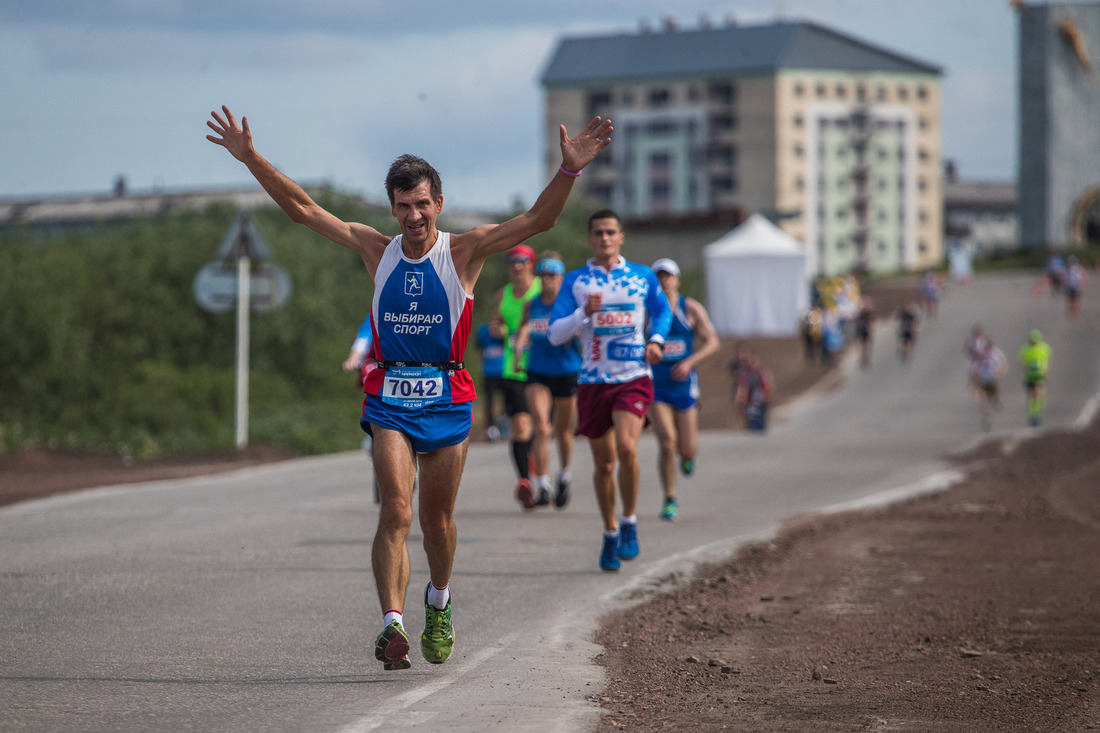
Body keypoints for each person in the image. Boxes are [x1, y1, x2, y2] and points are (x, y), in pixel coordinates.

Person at [206, 104, 612, 670]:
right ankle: (392, 624)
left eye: (423, 204)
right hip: (390, 396)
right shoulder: (377, 250)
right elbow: (303, 209)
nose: (414, 216)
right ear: (392, 209)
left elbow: (536, 222)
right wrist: (251, 158)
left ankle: (438, 601)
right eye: (404, 206)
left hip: (447, 397)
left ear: (438, 203)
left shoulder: (464, 251)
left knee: (435, 523)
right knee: (395, 509)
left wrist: (568, 171)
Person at [547, 209, 671, 572]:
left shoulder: (642, 276)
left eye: (611, 232)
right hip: (593, 381)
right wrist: (583, 313)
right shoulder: (575, 281)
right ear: (590, 238)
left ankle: (630, 521)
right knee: (604, 464)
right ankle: (610, 531)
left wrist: (658, 341)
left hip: (633, 376)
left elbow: (661, 313)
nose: (604, 238)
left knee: (627, 447)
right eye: (598, 232)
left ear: (621, 237)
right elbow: (555, 334)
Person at [647, 257, 719, 521]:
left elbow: (712, 342)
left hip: (685, 385)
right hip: (656, 385)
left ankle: (687, 457)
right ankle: (669, 498)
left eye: (669, 276)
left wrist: (690, 362)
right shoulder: (646, 311)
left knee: (686, 449)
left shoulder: (690, 309)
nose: (664, 280)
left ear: (677, 280)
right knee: (667, 443)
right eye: (659, 276)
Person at [513, 252, 581, 508]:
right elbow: (523, 327)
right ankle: (542, 484)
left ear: (561, 278)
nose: (547, 281)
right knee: (541, 427)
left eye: (552, 276)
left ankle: (564, 475)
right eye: (542, 276)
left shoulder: (570, 305)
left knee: (563, 431)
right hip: (537, 371)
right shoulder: (533, 304)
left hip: (566, 371)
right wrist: (519, 349)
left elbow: (584, 332)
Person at [490, 244, 541, 508]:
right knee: (521, 427)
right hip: (513, 370)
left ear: (531, 263)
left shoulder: (543, 290)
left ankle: (542, 478)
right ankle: (525, 481)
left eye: (522, 261)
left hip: (544, 368)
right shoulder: (503, 295)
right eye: (512, 262)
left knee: (541, 429)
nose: (517, 266)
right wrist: (498, 328)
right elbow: (495, 325)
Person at [474, 322, 506, 443]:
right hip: (489, 372)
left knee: (507, 401)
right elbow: (478, 350)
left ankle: (503, 420)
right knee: (489, 402)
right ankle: (491, 428)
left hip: (504, 372)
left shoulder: (505, 331)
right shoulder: (483, 332)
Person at [1018, 329, 1052, 427]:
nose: (1034, 343)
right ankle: (1033, 415)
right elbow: (1021, 361)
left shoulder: (1044, 348)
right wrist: (1025, 369)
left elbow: (1048, 361)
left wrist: (1046, 372)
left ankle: (1037, 415)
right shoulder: (1025, 349)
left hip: (1040, 375)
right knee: (1031, 396)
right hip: (1030, 376)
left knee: (1039, 394)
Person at [735, 352, 773, 433]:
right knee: (752, 419)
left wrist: (768, 397)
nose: (752, 364)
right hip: (750, 400)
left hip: (762, 400)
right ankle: (754, 435)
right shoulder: (746, 374)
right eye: (750, 362)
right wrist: (740, 397)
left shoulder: (763, 372)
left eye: (754, 362)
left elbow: (769, 385)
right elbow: (742, 386)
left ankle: (760, 435)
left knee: (761, 419)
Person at [976, 337, 1007, 431]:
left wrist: (1000, 375)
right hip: (985, 380)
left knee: (989, 399)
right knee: (985, 400)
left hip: (990, 380)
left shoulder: (994, 355)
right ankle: (986, 417)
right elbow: (976, 368)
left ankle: (989, 412)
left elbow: (1002, 366)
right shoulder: (984, 356)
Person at [964, 324, 989, 402]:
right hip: (974, 361)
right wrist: (973, 354)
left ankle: (982, 391)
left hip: (982, 362)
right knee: (974, 377)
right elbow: (967, 351)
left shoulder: (984, 341)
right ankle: (975, 391)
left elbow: (988, 350)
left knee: (982, 377)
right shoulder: (971, 342)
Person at [854, 296, 874, 371]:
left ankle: (865, 359)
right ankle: (864, 358)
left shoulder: (866, 311)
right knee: (863, 346)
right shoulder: (861, 311)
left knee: (865, 346)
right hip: (861, 330)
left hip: (864, 330)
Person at [1065, 255, 1087, 320]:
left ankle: (1074, 313)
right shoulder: (1071, 269)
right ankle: (1072, 313)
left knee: (1074, 300)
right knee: (1072, 301)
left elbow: (1079, 277)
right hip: (1072, 286)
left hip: (1074, 286)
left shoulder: (1075, 269)